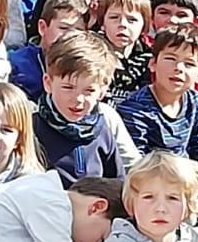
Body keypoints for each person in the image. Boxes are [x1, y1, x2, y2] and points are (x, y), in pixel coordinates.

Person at [116, 25, 198, 193]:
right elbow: (138, 162)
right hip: (149, 188)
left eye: (189, 63)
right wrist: (178, 166)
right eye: (170, 59)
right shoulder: (135, 109)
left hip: (188, 185)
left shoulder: (195, 100)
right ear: (153, 63)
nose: (178, 68)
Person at [33, 32, 140, 183]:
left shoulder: (102, 128)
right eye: (68, 87)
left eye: (89, 91)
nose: (78, 99)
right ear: (48, 83)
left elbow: (116, 181)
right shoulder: (33, 128)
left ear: (102, 91)